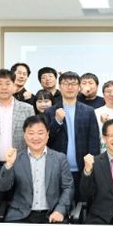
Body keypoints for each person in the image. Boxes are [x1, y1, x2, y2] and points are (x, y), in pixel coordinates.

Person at [45, 71, 100, 200]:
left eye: (74, 84)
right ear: (59, 86)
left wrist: (92, 166)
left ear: (79, 87)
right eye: (66, 83)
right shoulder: (50, 111)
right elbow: (46, 141)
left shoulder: (88, 111)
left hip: (83, 169)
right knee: (59, 205)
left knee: (83, 204)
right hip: (58, 169)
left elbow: (94, 141)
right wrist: (57, 121)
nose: (70, 87)